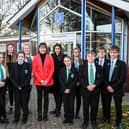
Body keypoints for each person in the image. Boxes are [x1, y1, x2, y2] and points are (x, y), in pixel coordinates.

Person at [104, 45, 127, 129]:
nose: (112, 54)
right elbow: (104, 76)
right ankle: (107, 119)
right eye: (111, 52)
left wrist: (113, 87)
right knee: (107, 104)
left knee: (118, 106)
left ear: (118, 53)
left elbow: (123, 78)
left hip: (118, 89)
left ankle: (118, 122)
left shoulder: (122, 64)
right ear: (109, 53)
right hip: (107, 88)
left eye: (114, 52)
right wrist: (107, 86)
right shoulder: (107, 63)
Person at [79, 51, 103, 129]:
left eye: (92, 56)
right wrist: (87, 86)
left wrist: (94, 85)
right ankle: (85, 121)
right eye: (89, 56)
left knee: (94, 107)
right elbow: (80, 78)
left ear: (95, 57)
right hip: (85, 90)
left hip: (95, 90)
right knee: (85, 107)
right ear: (86, 57)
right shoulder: (82, 66)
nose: (90, 57)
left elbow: (101, 78)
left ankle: (93, 121)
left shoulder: (99, 67)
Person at [32, 43, 54, 121]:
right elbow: (34, 71)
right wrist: (41, 80)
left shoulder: (50, 57)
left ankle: (45, 114)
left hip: (48, 81)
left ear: (46, 49)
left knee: (46, 98)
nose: (42, 49)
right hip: (39, 82)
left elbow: (52, 70)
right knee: (39, 98)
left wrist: (47, 80)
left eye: (44, 48)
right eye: (41, 48)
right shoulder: (35, 58)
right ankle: (39, 114)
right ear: (39, 49)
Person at [10, 51, 32, 123]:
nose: (21, 58)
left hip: (25, 88)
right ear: (17, 57)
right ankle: (16, 118)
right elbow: (11, 77)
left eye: (22, 56)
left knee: (24, 104)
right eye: (19, 56)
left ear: (24, 57)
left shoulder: (28, 65)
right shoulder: (14, 65)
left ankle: (24, 118)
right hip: (16, 88)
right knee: (17, 104)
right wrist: (17, 86)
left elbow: (28, 77)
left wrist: (22, 86)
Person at [60, 56, 77, 124]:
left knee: (71, 104)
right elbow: (60, 80)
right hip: (64, 90)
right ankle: (66, 117)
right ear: (64, 62)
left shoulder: (74, 70)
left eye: (68, 61)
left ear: (71, 61)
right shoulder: (62, 70)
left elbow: (74, 80)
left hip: (71, 90)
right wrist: (65, 88)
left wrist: (69, 88)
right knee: (65, 104)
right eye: (65, 61)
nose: (67, 62)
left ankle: (71, 118)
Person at [50, 43, 66, 117]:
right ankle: (57, 108)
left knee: (60, 95)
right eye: (56, 49)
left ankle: (58, 110)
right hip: (54, 79)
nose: (57, 50)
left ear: (60, 49)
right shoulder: (52, 56)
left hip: (61, 80)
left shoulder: (64, 56)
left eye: (58, 49)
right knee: (55, 95)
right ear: (54, 49)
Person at [95, 46, 108, 122]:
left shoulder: (108, 61)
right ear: (97, 53)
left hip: (105, 86)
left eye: (103, 52)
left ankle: (106, 118)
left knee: (105, 102)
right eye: (99, 52)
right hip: (96, 85)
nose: (101, 53)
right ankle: (95, 117)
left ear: (105, 53)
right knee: (95, 102)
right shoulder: (94, 60)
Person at [71, 48, 83, 119]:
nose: (76, 53)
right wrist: (74, 82)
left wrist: (79, 81)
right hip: (72, 83)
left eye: (77, 52)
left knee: (78, 99)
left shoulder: (82, 61)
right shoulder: (70, 61)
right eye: (74, 52)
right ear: (72, 53)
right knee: (72, 99)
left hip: (80, 84)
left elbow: (82, 73)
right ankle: (71, 113)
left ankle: (77, 113)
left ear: (79, 53)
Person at [5, 44, 16, 113]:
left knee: (15, 93)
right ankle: (10, 107)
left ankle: (17, 106)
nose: (10, 48)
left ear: (13, 48)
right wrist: (7, 75)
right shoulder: (5, 57)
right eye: (9, 47)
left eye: (11, 47)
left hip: (14, 78)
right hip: (7, 78)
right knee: (10, 93)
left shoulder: (15, 56)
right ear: (7, 49)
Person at [23, 44, 33, 110]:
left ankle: (26, 106)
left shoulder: (32, 58)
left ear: (29, 50)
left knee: (28, 94)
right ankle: (24, 107)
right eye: (25, 48)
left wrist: (33, 73)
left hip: (30, 80)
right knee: (23, 95)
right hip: (23, 80)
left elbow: (34, 68)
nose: (26, 49)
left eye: (28, 48)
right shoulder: (21, 57)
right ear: (23, 49)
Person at [0, 52, 9, 124]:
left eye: (2, 57)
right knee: (1, 103)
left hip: (3, 87)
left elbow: (6, 76)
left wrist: (4, 82)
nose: (1, 59)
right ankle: (4, 117)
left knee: (3, 102)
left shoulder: (3, 66)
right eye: (0, 57)